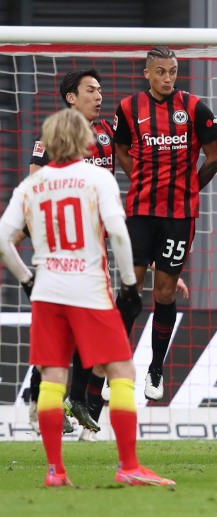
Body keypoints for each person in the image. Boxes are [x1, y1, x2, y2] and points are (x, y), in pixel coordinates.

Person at [0, 108, 174, 487]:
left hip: (47, 291)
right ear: (83, 140)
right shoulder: (97, 178)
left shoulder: (31, 185)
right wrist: (129, 286)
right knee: (123, 372)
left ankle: (55, 471)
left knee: (52, 378)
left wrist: (28, 280)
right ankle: (128, 464)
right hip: (89, 290)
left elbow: (3, 240)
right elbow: (119, 232)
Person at [114, 46, 217, 401]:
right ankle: (115, 365)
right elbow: (120, 149)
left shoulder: (195, 108)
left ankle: (156, 370)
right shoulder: (128, 108)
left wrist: (190, 187)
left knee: (163, 292)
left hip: (179, 217)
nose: (167, 78)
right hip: (141, 213)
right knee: (131, 290)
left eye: (172, 71)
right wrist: (140, 179)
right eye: (160, 72)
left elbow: (215, 157)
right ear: (147, 74)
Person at [26, 69, 115, 440]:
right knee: (60, 330)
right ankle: (40, 402)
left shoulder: (108, 135)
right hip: (61, 254)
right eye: (90, 90)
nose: (98, 96)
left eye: (100, 90)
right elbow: (32, 191)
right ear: (70, 98)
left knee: (86, 328)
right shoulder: (52, 139)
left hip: (96, 253)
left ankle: (74, 400)